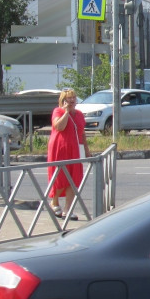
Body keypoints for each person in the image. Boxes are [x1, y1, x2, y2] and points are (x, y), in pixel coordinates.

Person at [47, 88, 87, 218]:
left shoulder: (80, 114)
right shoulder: (57, 111)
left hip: (75, 149)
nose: (71, 100)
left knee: (74, 178)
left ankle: (68, 209)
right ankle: (54, 202)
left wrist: (86, 150)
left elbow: (82, 132)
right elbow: (59, 126)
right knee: (60, 177)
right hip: (60, 148)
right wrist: (66, 112)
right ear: (62, 100)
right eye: (68, 98)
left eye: (73, 98)